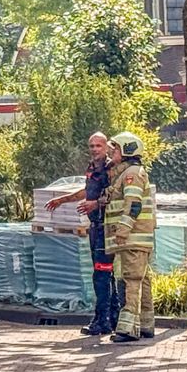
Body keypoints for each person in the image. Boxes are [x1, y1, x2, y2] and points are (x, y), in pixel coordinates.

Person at [44, 132, 118, 335]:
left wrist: (96, 204)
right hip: (95, 226)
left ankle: (102, 320)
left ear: (106, 147)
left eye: (98, 146)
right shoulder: (92, 168)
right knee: (104, 272)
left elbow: (115, 193)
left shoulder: (112, 168)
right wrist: (62, 200)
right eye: (91, 146)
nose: (94, 149)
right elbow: (88, 191)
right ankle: (112, 318)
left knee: (102, 273)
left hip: (106, 225)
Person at [102, 132, 156, 343]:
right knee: (143, 280)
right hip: (136, 239)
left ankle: (127, 329)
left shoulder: (132, 173)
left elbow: (133, 205)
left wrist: (122, 232)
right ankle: (145, 325)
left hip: (132, 238)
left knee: (130, 280)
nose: (111, 153)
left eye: (114, 149)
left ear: (126, 151)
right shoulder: (126, 174)